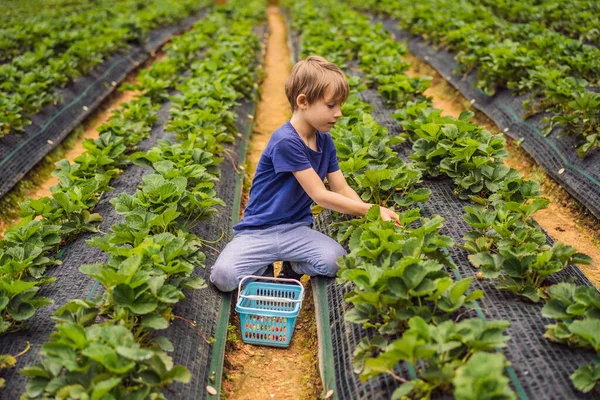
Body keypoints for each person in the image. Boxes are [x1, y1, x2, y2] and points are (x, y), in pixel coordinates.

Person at [209, 55, 400, 292]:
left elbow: (340, 187)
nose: (338, 113)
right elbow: (320, 195)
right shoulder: (285, 141)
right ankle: (261, 268)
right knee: (223, 277)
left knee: (337, 261)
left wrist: (370, 217)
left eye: (340, 105)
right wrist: (372, 209)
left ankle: (294, 267)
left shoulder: (325, 141)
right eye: (331, 105)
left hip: (296, 230)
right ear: (303, 101)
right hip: (257, 232)